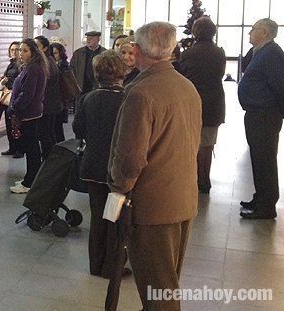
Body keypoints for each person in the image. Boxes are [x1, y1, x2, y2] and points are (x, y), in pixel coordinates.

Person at [108, 22, 202, 310]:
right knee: (165, 282)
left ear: (136, 51)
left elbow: (130, 158)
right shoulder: (186, 86)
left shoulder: (141, 93)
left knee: (159, 291)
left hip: (152, 206)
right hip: (182, 198)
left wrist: (118, 190)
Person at [72, 50, 129, 279]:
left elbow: (78, 129)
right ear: (120, 72)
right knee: (115, 217)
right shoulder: (126, 98)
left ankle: (96, 264)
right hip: (116, 168)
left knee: (98, 216)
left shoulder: (89, 98)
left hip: (92, 164)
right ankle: (112, 266)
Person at [238, 18, 284, 219]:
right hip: (258, 114)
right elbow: (246, 67)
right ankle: (261, 197)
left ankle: (266, 206)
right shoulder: (263, 51)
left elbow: (279, 86)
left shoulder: (272, 54)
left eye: (253, 29)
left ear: (264, 33)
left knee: (264, 159)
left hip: (265, 115)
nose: (249, 33)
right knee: (259, 158)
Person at [178, 17, 226, 194]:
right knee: (208, 144)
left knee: (193, 143)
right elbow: (220, 74)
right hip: (214, 103)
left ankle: (194, 178)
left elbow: (183, 77)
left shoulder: (188, 54)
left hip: (193, 102)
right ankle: (205, 180)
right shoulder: (220, 53)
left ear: (194, 32)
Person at [8, 38, 48, 194]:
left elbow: (27, 94)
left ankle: (29, 182)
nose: (21, 53)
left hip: (28, 114)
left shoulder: (33, 69)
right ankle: (31, 177)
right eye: (20, 50)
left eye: (25, 50)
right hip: (30, 113)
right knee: (31, 148)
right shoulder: (30, 67)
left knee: (31, 149)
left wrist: (14, 107)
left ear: (33, 53)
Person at [0, 41, 23, 158]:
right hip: (8, 98)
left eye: (17, 50)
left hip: (16, 98)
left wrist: (9, 82)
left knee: (16, 124)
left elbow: (19, 82)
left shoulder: (22, 65)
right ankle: (12, 147)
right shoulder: (11, 64)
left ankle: (20, 149)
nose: (14, 52)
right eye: (12, 50)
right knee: (9, 123)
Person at [35, 36, 62, 157]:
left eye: (37, 46)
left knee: (46, 134)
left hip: (47, 105)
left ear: (45, 48)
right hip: (50, 104)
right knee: (49, 133)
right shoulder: (49, 61)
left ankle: (49, 159)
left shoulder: (46, 63)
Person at [48, 42, 72, 142]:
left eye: (56, 53)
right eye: (52, 53)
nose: (54, 55)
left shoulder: (63, 66)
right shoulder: (52, 65)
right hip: (55, 100)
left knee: (57, 128)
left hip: (60, 101)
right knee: (53, 128)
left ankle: (60, 151)